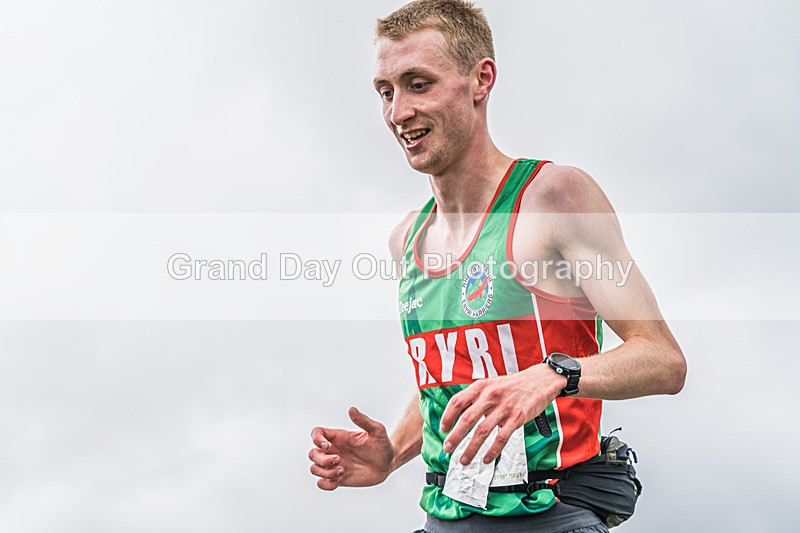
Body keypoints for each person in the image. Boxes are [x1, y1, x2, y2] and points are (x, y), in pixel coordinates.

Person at [308, 1, 687, 531]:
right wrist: (392, 453)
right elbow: (451, 386)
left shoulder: (553, 197)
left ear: (481, 79)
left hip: (551, 515)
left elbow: (664, 361)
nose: (398, 113)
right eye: (386, 91)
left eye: (419, 84)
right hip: (444, 516)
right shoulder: (406, 239)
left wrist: (553, 375)